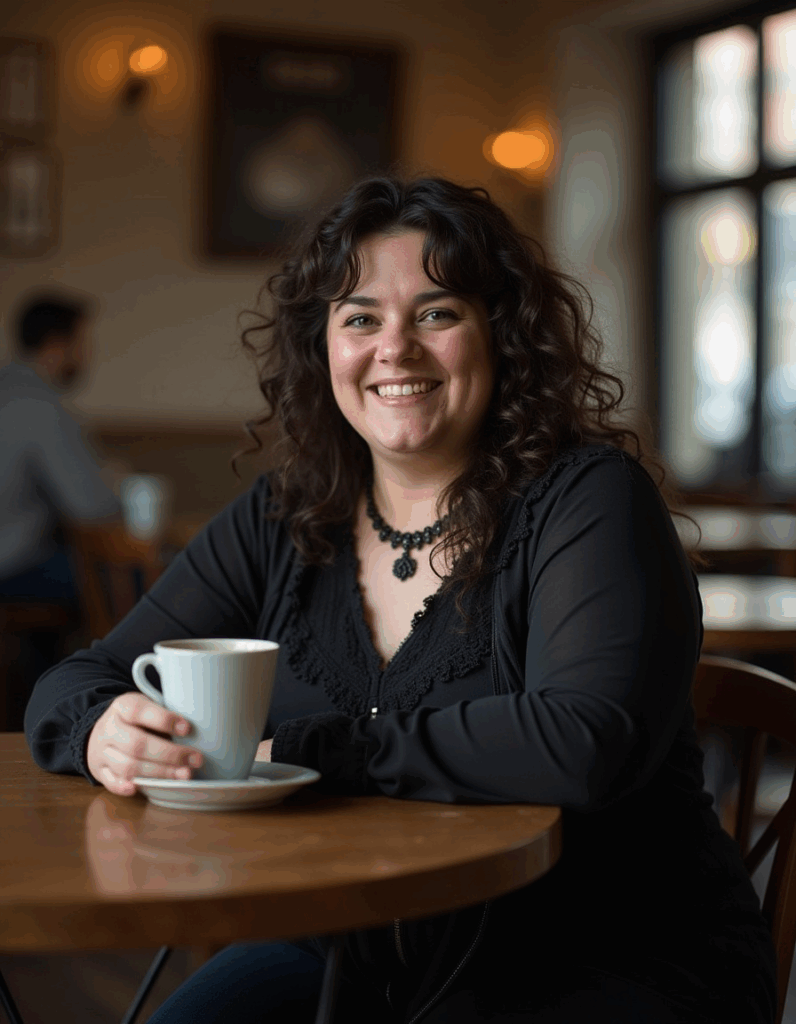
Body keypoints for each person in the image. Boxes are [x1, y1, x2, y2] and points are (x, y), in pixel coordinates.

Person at [25, 177, 775, 1024]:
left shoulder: (588, 501)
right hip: (349, 941)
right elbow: (74, 679)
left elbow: (585, 740)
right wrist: (102, 734)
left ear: (504, 334)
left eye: (437, 313)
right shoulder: (284, 519)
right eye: (360, 319)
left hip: (603, 946)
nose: (396, 348)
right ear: (324, 351)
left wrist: (316, 751)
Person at [1, 293, 120, 726]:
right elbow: (93, 507)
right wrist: (117, 482)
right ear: (57, 344)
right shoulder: (40, 407)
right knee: (129, 578)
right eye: (82, 343)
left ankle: (33, 697)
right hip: (10, 567)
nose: (85, 355)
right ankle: (72, 711)